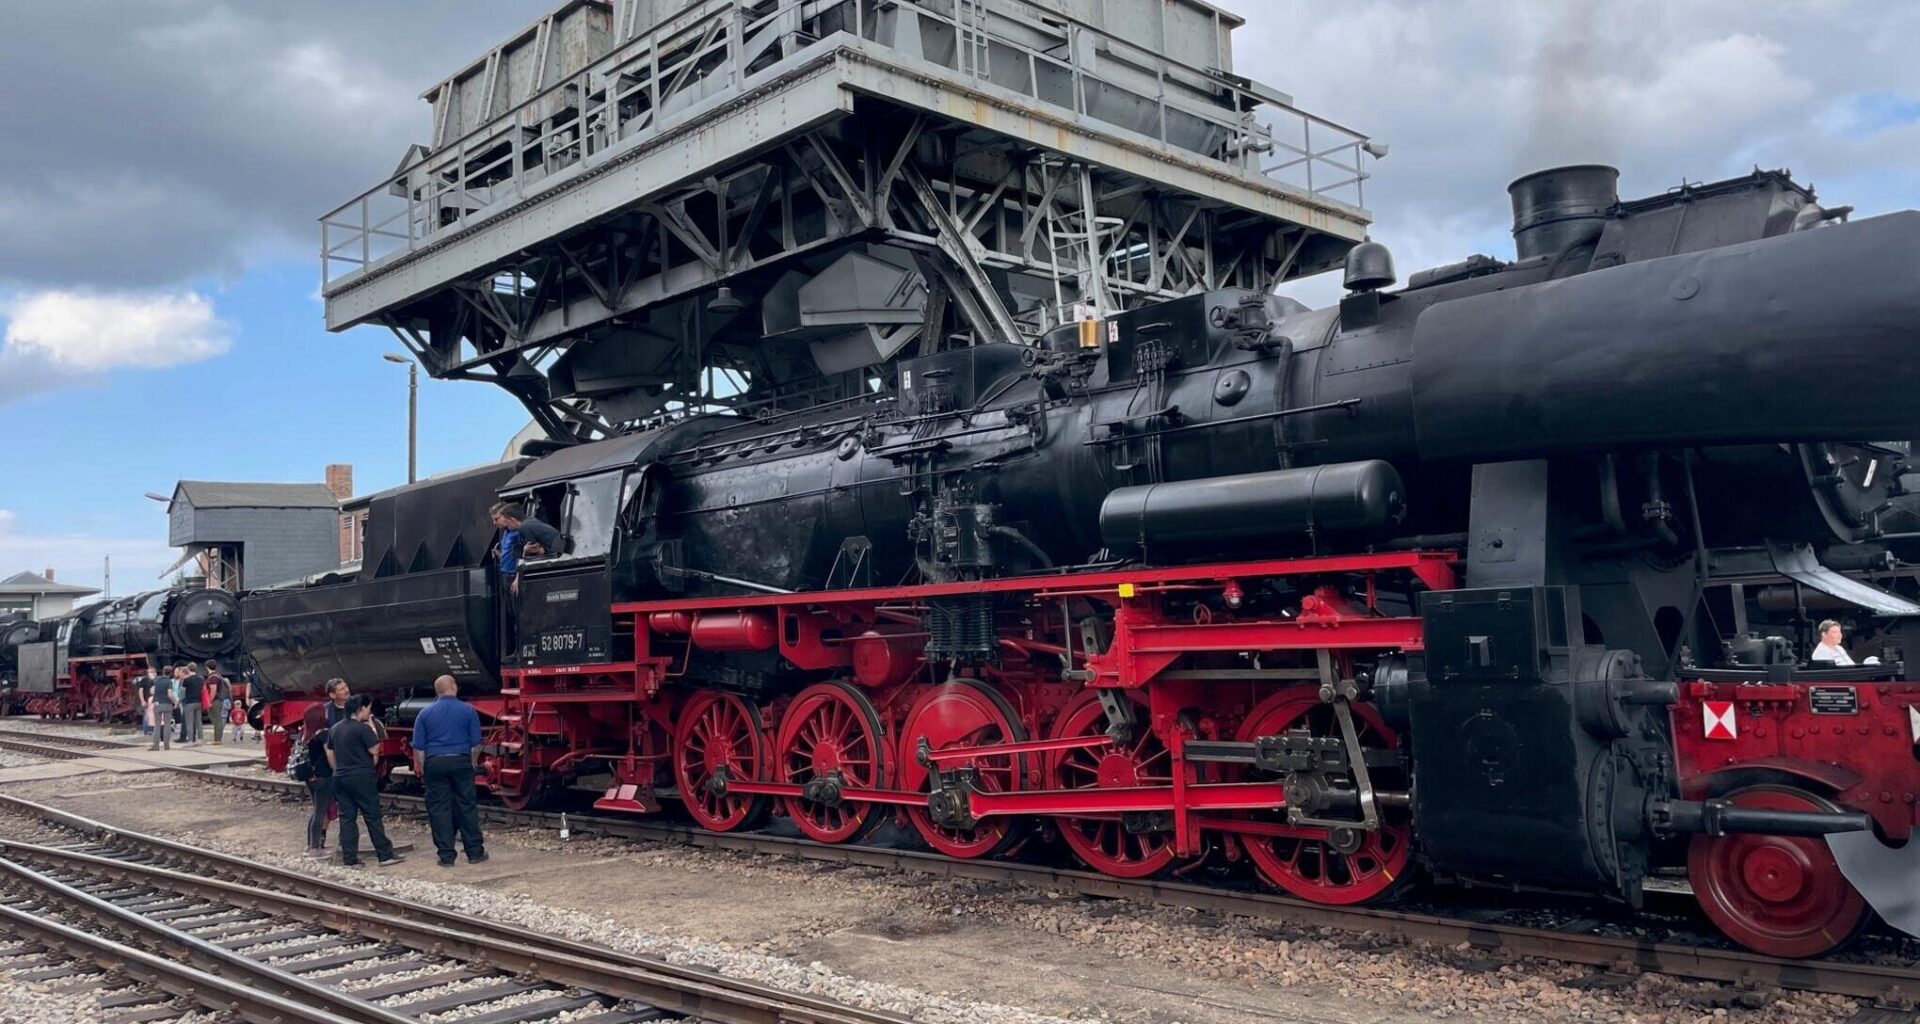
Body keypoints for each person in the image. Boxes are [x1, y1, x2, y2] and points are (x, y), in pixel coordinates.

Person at [412, 675, 488, 867]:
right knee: (466, 805)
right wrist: (471, 762)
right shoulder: (468, 711)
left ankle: (446, 855)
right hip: (461, 760)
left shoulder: (424, 713)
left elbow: (419, 746)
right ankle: (475, 853)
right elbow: (476, 742)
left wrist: (424, 767)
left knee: (439, 808)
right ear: (453, 687)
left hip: (435, 762)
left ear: (437, 690)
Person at [327, 696, 404, 866]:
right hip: (361, 776)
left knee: (347, 818)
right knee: (372, 816)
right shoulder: (362, 729)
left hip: (340, 776)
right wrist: (371, 726)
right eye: (368, 708)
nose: (369, 712)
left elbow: (330, 752)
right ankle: (384, 855)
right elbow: (375, 748)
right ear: (360, 709)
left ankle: (350, 858)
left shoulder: (335, 729)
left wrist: (337, 770)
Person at [489, 501, 563, 596]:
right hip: (506, 574)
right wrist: (500, 555)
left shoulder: (520, 529)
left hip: (515, 574)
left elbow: (529, 554)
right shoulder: (507, 531)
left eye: (497, 519)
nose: (495, 523)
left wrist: (518, 578)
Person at [302, 702, 336, 859]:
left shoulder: (307, 734)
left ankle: (310, 845)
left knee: (316, 810)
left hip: (311, 777)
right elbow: (329, 755)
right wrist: (336, 770)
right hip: (324, 776)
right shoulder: (324, 734)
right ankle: (315, 848)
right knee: (320, 812)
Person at [147, 669, 177, 751]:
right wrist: (175, 701)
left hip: (157, 704)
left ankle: (155, 746)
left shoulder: (156, 680)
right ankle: (166, 745)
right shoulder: (169, 681)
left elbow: (152, 690)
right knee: (167, 725)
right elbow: (170, 694)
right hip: (167, 704)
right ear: (170, 673)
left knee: (157, 725)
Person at [179, 663, 206, 745]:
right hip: (199, 702)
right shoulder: (201, 679)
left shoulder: (186, 680)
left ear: (188, 669)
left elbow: (182, 693)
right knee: (199, 722)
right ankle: (200, 739)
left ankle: (190, 740)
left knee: (189, 722)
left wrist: (179, 700)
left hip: (189, 703)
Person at [207, 661, 231, 743]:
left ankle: (217, 739)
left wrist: (209, 701)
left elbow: (213, 690)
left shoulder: (212, 677)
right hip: (220, 699)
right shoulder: (219, 676)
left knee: (216, 720)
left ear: (207, 667)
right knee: (218, 720)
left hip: (215, 701)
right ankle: (218, 739)